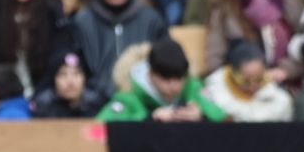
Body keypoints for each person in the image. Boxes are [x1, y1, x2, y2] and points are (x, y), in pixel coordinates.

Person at [73, 0, 167, 104]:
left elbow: (165, 65)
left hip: (142, 102)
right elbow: (74, 67)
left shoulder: (151, 19)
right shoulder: (83, 21)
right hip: (94, 103)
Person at [97, 34, 228, 120]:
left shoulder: (194, 89)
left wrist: (202, 118)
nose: (174, 87)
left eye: (179, 78)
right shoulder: (129, 97)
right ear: (150, 74)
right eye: (166, 79)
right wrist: (150, 120)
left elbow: (226, 124)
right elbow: (96, 131)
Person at [204, 39, 295, 120]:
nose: (253, 86)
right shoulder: (214, 92)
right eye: (246, 81)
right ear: (233, 74)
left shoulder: (279, 100)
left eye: (259, 79)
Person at [30, 50, 105, 116]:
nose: (70, 81)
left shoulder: (98, 107)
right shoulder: (42, 108)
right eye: (63, 74)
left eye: (76, 74)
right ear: (54, 79)